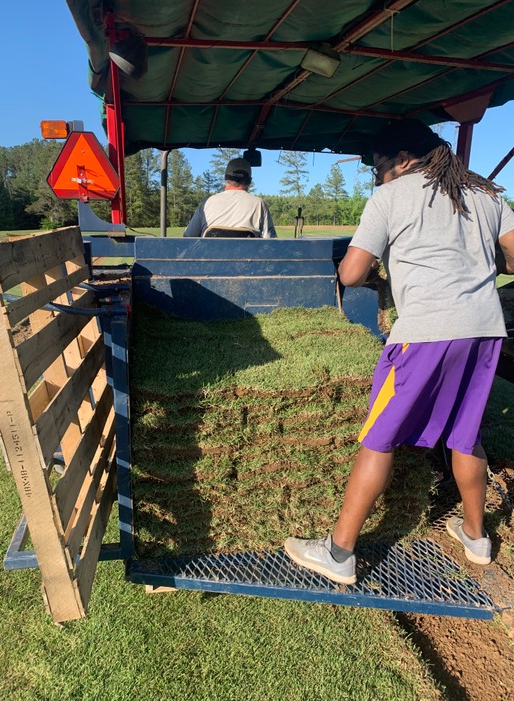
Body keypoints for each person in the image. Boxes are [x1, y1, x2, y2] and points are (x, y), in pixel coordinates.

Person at [284, 118, 514, 585]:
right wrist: (470, 261)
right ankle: (475, 536)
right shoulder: (489, 196)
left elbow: (350, 273)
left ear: (403, 160)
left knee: (379, 434)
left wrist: (380, 273)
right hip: (484, 332)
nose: (375, 176)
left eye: (378, 167)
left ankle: (339, 552)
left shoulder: (390, 197)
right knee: (465, 432)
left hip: (425, 332)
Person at [183, 157, 277, 238]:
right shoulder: (259, 204)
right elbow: (270, 242)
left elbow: (187, 238)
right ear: (249, 181)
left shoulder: (207, 203)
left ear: (225, 178)